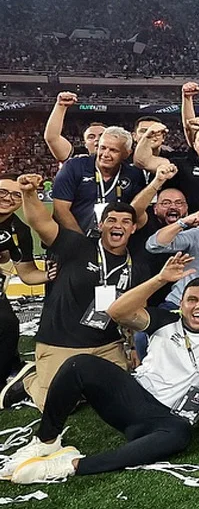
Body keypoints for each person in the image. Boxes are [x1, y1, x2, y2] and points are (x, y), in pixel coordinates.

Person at [2, 267, 199, 484]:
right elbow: (117, 312)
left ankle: (70, 466)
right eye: (192, 300)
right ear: (181, 304)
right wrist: (160, 279)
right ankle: (47, 441)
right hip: (132, 399)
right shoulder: (164, 320)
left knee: (181, 434)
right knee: (79, 364)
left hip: (168, 420)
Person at [15, 174, 155, 410]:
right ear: (101, 225)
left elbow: (134, 310)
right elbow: (41, 224)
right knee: (58, 406)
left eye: (124, 221)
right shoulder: (77, 246)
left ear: (133, 228)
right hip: (61, 342)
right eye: (111, 220)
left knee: (117, 397)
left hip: (107, 345)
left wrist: (131, 348)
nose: (117, 226)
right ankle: (30, 378)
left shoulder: (137, 266)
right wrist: (29, 194)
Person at [0, 176, 46, 404]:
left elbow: (27, 273)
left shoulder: (19, 230)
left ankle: (6, 376)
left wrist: (52, 275)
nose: (8, 198)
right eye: (3, 192)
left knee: (8, 324)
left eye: (16, 194)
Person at [51, 126, 145, 235]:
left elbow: (138, 213)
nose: (105, 154)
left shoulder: (134, 174)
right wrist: (81, 242)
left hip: (115, 243)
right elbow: (60, 210)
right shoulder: (74, 167)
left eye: (113, 150)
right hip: (74, 241)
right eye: (103, 148)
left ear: (127, 153)